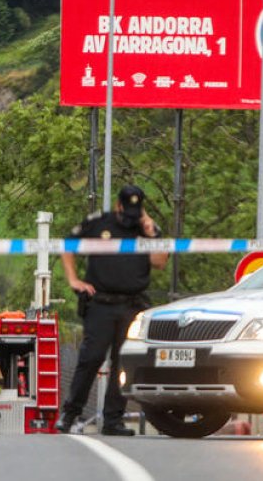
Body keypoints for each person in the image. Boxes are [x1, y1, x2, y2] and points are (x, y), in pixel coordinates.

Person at [56, 184, 168, 436]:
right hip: (101, 304)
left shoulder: (147, 228)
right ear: (118, 206)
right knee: (91, 358)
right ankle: (70, 413)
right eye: (126, 212)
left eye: (135, 213)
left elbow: (160, 262)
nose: (130, 218)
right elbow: (67, 245)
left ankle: (113, 420)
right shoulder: (99, 223)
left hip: (132, 304)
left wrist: (150, 233)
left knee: (123, 364)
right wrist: (74, 280)